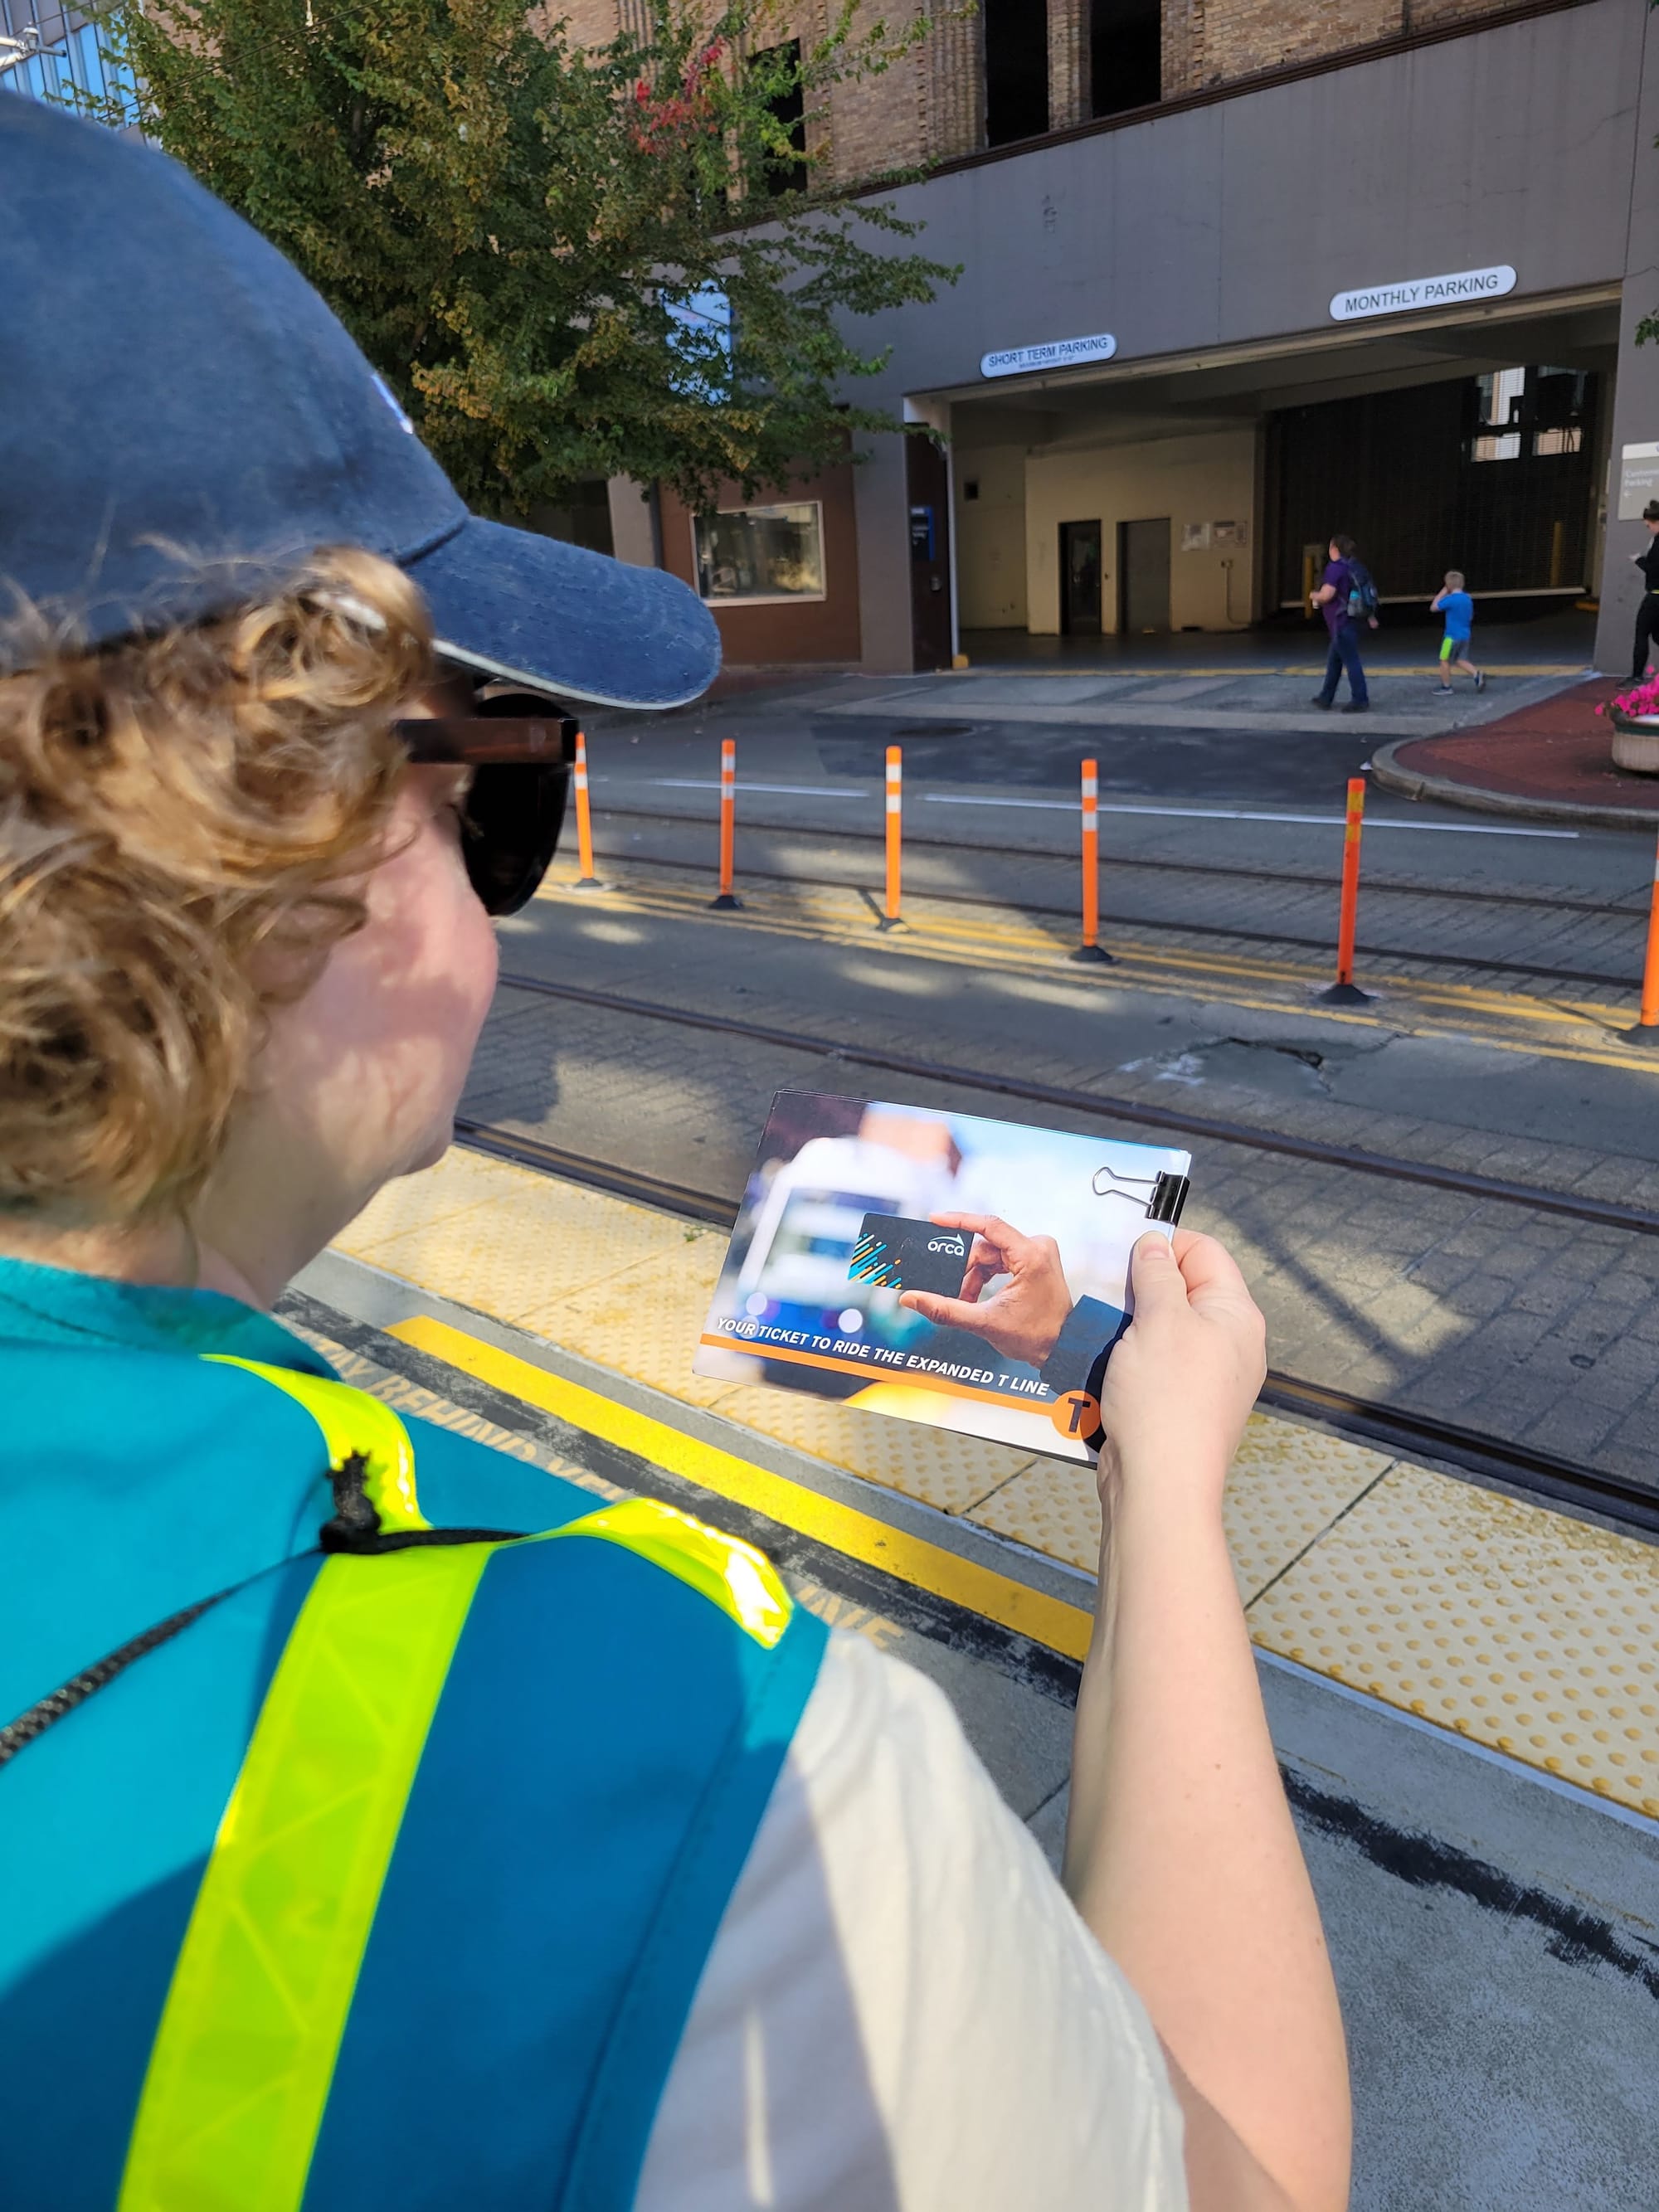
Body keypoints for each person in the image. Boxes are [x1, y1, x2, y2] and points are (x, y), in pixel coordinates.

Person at [0, 104, 1350, 2212]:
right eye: (492, 793)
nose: (497, 892)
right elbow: (1243, 2181)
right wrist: (1163, 1480)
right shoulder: (689, 1752)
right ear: (246, 861)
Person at [1308, 534, 1376, 714]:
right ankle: (1326, 697)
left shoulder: (1335, 568)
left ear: (1335, 549)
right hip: (1353, 620)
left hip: (1341, 622)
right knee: (1334, 661)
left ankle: (1360, 699)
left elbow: (1327, 595)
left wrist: (1313, 596)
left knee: (1351, 661)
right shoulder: (1355, 566)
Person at [1429, 571, 1484, 693]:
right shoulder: (1467, 598)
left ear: (1448, 585)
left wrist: (1442, 593)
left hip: (1450, 636)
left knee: (1444, 660)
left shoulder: (1450, 600)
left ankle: (1446, 687)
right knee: (1461, 660)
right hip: (1465, 635)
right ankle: (1476, 674)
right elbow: (1470, 617)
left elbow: (1433, 608)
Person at [1631, 500, 1659, 683]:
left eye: (1649, 525)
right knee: (1657, 634)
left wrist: (1638, 560)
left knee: (1642, 633)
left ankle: (1636, 677)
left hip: (1655, 597)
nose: (1648, 528)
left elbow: (1654, 568)